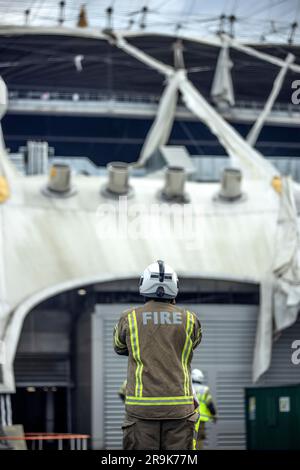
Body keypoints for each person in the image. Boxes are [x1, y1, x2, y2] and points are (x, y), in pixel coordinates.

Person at [113, 260, 202, 450]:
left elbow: (119, 347)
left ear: (143, 284)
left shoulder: (128, 318)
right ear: (174, 287)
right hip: (180, 410)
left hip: (140, 411)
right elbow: (192, 344)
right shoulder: (190, 319)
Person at [192, 369, 217, 450]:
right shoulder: (204, 390)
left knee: (188, 438)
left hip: (188, 419)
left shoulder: (188, 388)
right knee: (199, 439)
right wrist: (214, 415)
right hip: (200, 419)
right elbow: (210, 405)